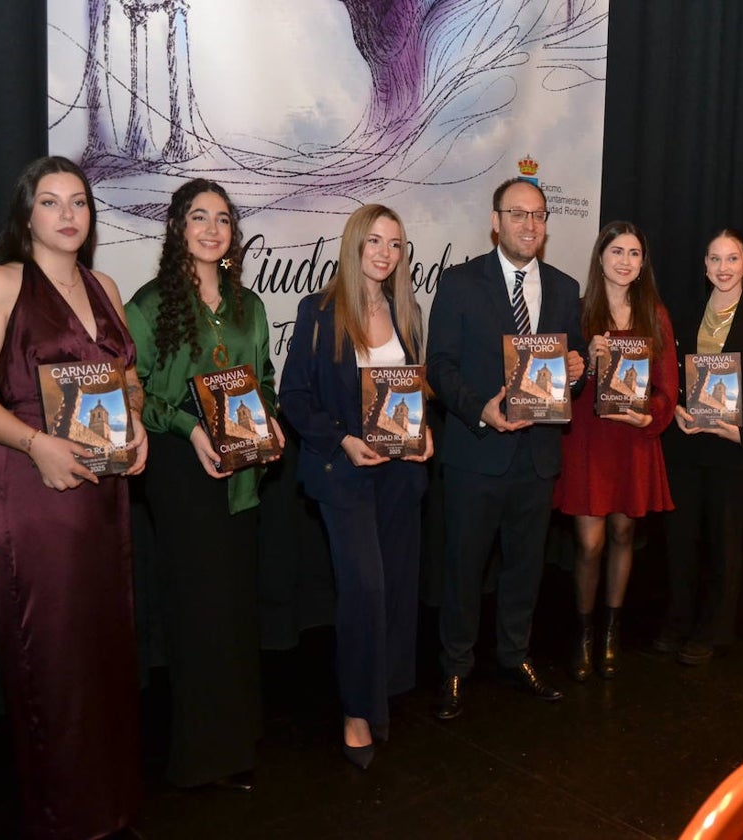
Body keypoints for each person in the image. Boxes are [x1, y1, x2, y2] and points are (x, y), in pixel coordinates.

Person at [0, 155, 147, 839]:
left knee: (102, 653)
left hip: (100, 495)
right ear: (27, 215)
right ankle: (64, 819)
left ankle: (107, 808)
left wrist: (138, 421)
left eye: (79, 202)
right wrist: (36, 444)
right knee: (53, 662)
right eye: (52, 202)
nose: (68, 214)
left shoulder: (107, 286)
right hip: (30, 490)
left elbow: (129, 380)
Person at [125, 179, 283, 791]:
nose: (212, 229)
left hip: (243, 475)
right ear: (177, 228)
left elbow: (263, 378)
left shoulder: (250, 306)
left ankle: (238, 741)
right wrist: (191, 426)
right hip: (181, 475)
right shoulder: (149, 305)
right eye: (199, 217)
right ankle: (199, 757)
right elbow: (136, 391)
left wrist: (269, 417)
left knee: (235, 608)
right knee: (196, 611)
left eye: (222, 219)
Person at [279, 204, 433, 770]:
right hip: (343, 473)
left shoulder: (407, 311)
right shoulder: (319, 311)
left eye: (395, 244)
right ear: (353, 245)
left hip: (400, 474)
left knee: (394, 585)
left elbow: (412, 390)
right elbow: (294, 396)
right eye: (374, 242)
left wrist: (424, 434)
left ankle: (383, 693)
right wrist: (342, 439)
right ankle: (355, 710)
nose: (385, 253)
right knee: (364, 588)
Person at [427, 177, 585, 719]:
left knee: (525, 568)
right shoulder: (459, 283)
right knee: (464, 567)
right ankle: (454, 666)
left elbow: (574, 365)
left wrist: (578, 369)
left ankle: (515, 656)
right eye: (518, 214)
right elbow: (440, 367)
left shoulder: (565, 289)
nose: (529, 225)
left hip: (537, 458)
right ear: (495, 221)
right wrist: (480, 410)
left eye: (538, 215)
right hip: (476, 453)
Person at [553, 221, 677, 681]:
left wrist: (652, 416)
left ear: (643, 264)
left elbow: (667, 388)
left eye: (634, 253)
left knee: (625, 536)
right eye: (617, 251)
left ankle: (610, 631)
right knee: (589, 542)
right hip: (589, 440)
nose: (625, 261)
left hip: (634, 442)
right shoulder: (578, 312)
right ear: (600, 257)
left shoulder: (655, 315)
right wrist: (585, 358)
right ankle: (583, 632)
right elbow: (558, 384)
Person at [656, 228, 743, 666]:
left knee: (725, 545)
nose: (723, 268)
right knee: (681, 541)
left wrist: (741, 429)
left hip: (732, 449)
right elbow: (668, 376)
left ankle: (714, 630)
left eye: (732, 259)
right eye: (715, 259)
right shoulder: (683, 313)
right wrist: (672, 409)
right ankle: (677, 622)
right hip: (686, 444)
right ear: (704, 266)